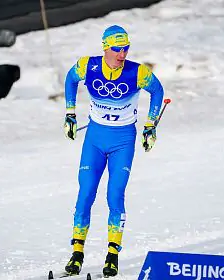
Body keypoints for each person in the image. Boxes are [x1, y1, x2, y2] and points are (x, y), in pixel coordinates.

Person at [62, 25, 164, 277]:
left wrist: (150, 125)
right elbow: (70, 79)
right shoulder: (88, 65)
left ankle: (112, 256)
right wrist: (70, 113)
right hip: (95, 139)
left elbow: (157, 91)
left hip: (122, 142)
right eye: (117, 49)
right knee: (85, 193)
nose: (122, 54)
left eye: (126, 48)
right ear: (106, 48)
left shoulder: (138, 72)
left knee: (115, 195)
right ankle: (76, 254)